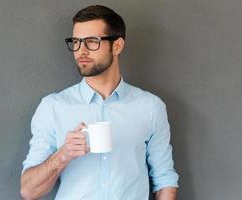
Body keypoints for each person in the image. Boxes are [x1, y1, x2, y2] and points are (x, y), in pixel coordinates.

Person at [20, 5, 179, 200]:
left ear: (117, 46)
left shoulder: (150, 107)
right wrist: (63, 155)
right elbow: (28, 191)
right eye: (76, 42)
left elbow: (164, 181)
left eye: (92, 42)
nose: (81, 51)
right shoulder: (53, 107)